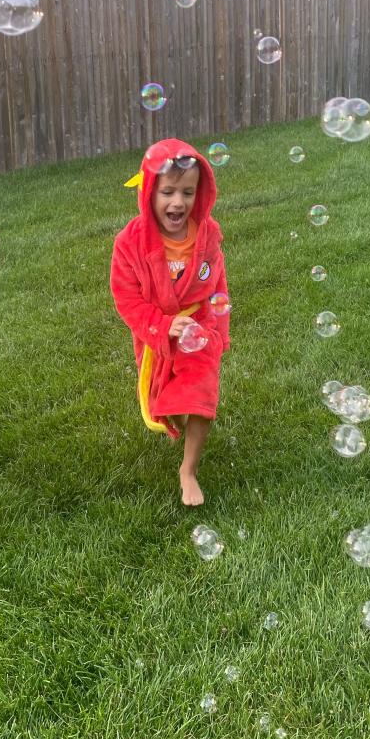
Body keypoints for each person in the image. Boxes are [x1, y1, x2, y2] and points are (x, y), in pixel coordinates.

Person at [110, 138, 230, 506]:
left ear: (201, 193)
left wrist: (217, 334)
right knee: (168, 403)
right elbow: (127, 298)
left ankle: (188, 471)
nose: (178, 202)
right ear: (149, 192)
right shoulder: (130, 243)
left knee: (200, 398)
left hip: (199, 333)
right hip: (157, 337)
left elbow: (218, 290)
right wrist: (162, 326)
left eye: (188, 192)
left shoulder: (207, 237)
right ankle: (178, 418)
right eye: (168, 192)